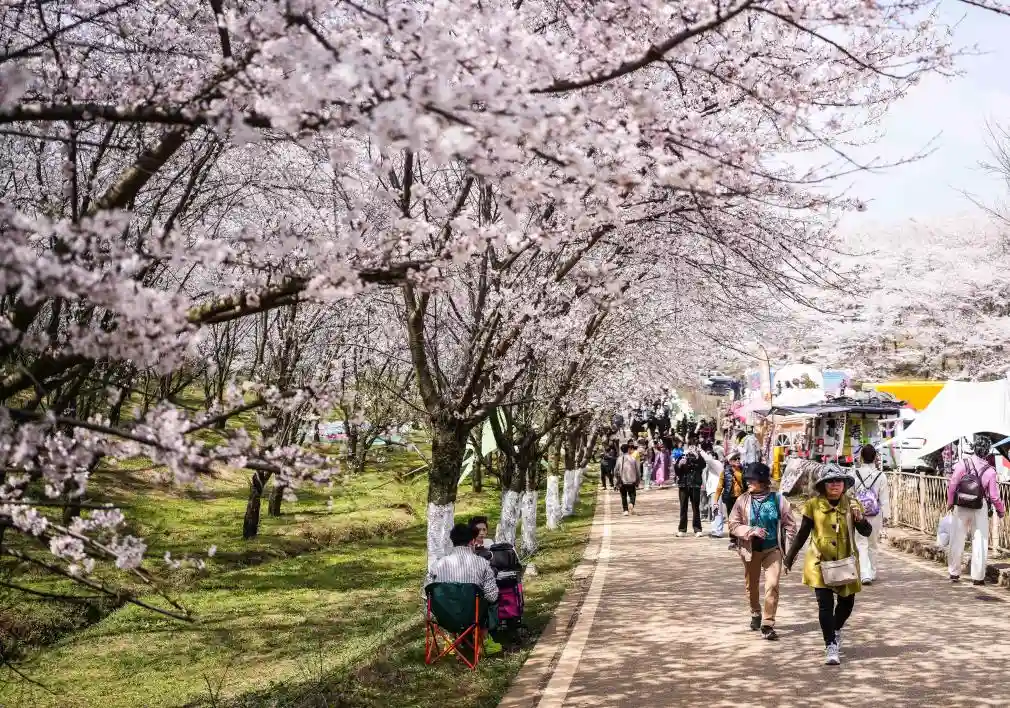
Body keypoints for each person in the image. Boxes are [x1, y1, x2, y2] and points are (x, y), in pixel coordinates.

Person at [784, 464, 873, 666]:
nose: (834, 485)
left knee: (847, 604)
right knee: (825, 605)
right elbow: (803, 534)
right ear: (823, 485)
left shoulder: (852, 504)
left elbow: (866, 532)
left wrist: (860, 519)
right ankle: (830, 644)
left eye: (838, 481)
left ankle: (834, 628)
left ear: (844, 485)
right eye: (830, 482)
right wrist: (789, 558)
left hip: (846, 562)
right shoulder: (813, 505)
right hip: (819, 562)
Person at [728, 462, 797, 640]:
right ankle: (755, 612)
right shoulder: (742, 500)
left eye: (753, 479)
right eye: (748, 479)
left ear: (763, 481)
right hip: (750, 550)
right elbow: (733, 524)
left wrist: (789, 549)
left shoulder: (779, 500)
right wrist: (750, 531)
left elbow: (790, 525)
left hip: (773, 550)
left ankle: (767, 623)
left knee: (772, 585)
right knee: (752, 585)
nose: (749, 482)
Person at [426, 523, 503, 655]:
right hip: (472, 617)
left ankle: (450, 640)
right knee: (493, 598)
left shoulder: (437, 565)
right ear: (472, 541)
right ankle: (484, 640)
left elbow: (426, 594)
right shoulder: (482, 563)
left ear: (452, 541)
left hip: (445, 618)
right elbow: (492, 596)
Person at [946, 434, 1007, 585]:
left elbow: (952, 485)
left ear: (974, 448)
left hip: (961, 506)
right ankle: (978, 577)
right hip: (980, 507)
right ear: (987, 451)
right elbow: (994, 496)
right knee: (980, 541)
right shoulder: (990, 471)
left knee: (957, 539)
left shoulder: (962, 464)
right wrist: (1001, 510)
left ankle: (954, 572)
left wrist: (949, 502)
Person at [852, 445, 890, 585]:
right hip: (875, 514)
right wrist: (886, 516)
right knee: (873, 543)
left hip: (858, 513)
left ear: (861, 457)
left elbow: (851, 494)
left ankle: (864, 573)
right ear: (875, 457)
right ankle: (872, 572)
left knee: (861, 543)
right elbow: (884, 499)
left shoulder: (854, 473)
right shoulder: (881, 476)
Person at [715, 452, 746, 549]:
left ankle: (742, 540)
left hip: (741, 498)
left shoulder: (743, 471)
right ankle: (733, 541)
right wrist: (715, 501)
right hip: (730, 499)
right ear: (730, 461)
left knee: (742, 519)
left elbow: (747, 484)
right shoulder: (724, 472)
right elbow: (719, 487)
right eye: (735, 459)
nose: (738, 461)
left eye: (738, 459)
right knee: (732, 520)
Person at [675, 445, 705, 537]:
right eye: (689, 449)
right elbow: (677, 471)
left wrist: (697, 455)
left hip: (695, 485)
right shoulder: (682, 457)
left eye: (693, 448)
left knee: (696, 508)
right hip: (683, 485)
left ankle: (697, 529)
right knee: (683, 507)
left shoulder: (698, 458)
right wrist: (679, 464)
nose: (691, 451)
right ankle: (682, 529)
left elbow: (702, 465)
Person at [615, 443, 641, 516]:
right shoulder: (633, 458)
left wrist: (616, 479)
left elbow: (615, 470)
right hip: (632, 480)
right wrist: (638, 480)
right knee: (632, 494)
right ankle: (631, 503)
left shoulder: (619, 459)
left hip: (622, 481)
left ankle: (625, 510)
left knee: (623, 495)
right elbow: (637, 470)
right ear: (628, 449)